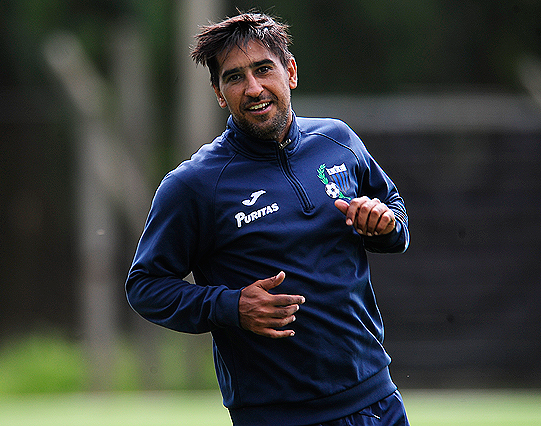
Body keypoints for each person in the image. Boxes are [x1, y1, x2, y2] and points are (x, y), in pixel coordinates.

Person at [126, 12, 410, 426]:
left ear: (290, 71)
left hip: (378, 400)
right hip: (277, 416)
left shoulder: (338, 140)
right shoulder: (194, 184)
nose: (253, 88)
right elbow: (145, 286)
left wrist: (384, 224)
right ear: (219, 93)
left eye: (263, 69)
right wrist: (232, 306)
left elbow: (395, 212)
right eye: (234, 77)